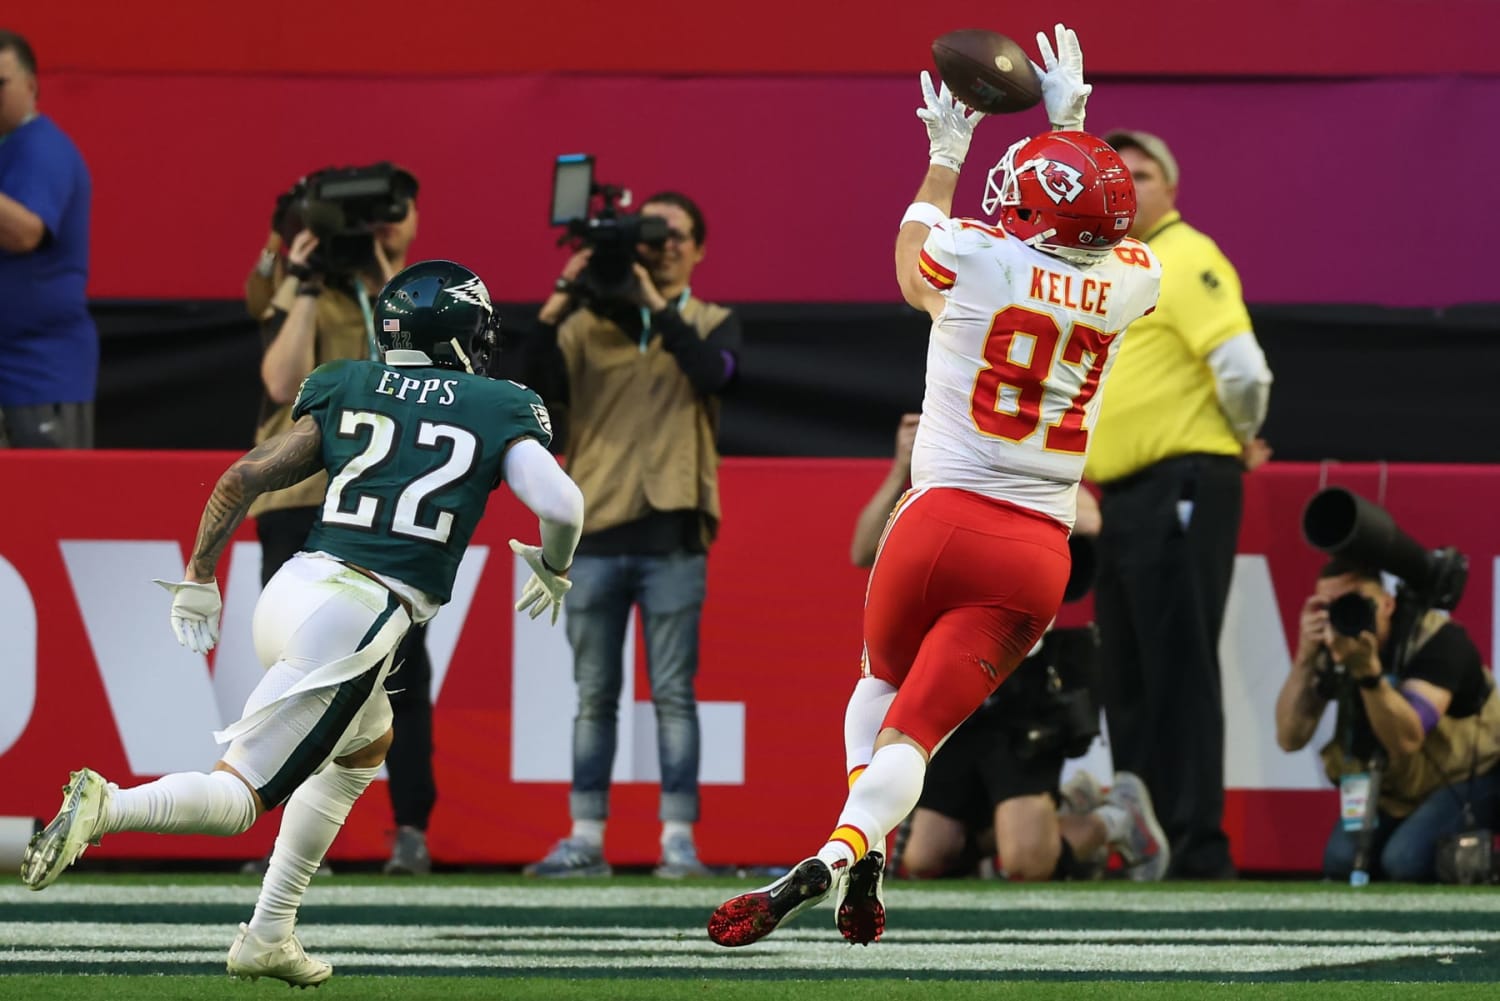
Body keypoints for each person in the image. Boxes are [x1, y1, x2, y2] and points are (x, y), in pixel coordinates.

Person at [708, 25, 1161, 948]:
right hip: (1034, 545)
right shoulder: (1133, 281)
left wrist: (946, 156)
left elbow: (913, 255)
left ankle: (859, 849)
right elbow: (1099, 241)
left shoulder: (980, 259)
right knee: (917, 735)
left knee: (879, 685)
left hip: (938, 517)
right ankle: (844, 849)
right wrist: (1070, 121)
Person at [20, 260, 584, 987]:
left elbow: (242, 478)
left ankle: (269, 933)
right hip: (362, 614)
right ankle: (107, 806)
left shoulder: (348, 380)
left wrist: (198, 576)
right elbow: (563, 506)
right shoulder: (498, 402)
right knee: (238, 800)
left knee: (365, 744)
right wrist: (554, 564)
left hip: (294, 589)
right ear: (464, 334)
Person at [518, 191, 741, 879]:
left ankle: (677, 839)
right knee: (594, 693)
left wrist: (655, 303)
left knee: (673, 690)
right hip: (598, 529)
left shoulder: (711, 321)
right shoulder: (584, 324)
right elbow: (526, 387)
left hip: (673, 530)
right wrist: (562, 292)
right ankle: (584, 835)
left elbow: (713, 373)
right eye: (652, 234)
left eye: (676, 235)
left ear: (699, 248)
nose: (663, 244)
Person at [850, 416, 1168, 883]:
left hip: (1013, 679)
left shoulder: (1026, 451)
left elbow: (1090, 520)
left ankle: (1112, 820)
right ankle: (1046, 813)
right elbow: (863, 550)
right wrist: (905, 467)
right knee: (926, 859)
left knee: (1025, 863)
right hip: (946, 672)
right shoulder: (940, 459)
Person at [1081, 128, 1274, 880]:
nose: (1127, 185)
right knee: (1126, 672)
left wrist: (1237, 436)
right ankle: (1144, 840)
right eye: (1116, 176)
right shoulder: (1117, 271)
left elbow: (1243, 369)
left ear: (1171, 188)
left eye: (1142, 172)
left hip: (1183, 483)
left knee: (1180, 666)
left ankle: (1197, 845)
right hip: (1125, 496)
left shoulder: (1186, 256)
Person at [244, 180, 439, 875]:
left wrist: (387, 280)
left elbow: (425, 372)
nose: (374, 229)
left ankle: (411, 827)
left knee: (402, 669)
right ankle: (289, 838)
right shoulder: (295, 285)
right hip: (299, 498)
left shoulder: (411, 297)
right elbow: (280, 383)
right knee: (296, 670)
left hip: (384, 501)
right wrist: (301, 281)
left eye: (391, 215)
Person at [1274, 558, 1500, 882]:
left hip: (1467, 778)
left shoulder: (1438, 640)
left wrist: (1368, 675)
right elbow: (1289, 737)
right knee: (1341, 862)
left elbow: (1406, 739)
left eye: (1355, 603)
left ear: (1387, 604)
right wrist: (1305, 658)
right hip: (1395, 790)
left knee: (1404, 861)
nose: (1344, 614)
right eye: (1329, 606)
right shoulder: (1333, 646)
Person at [0, 29, 96, 449]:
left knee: (48, 507)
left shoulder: (42, 148)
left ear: (30, 85)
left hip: (37, 371)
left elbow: (24, 232)